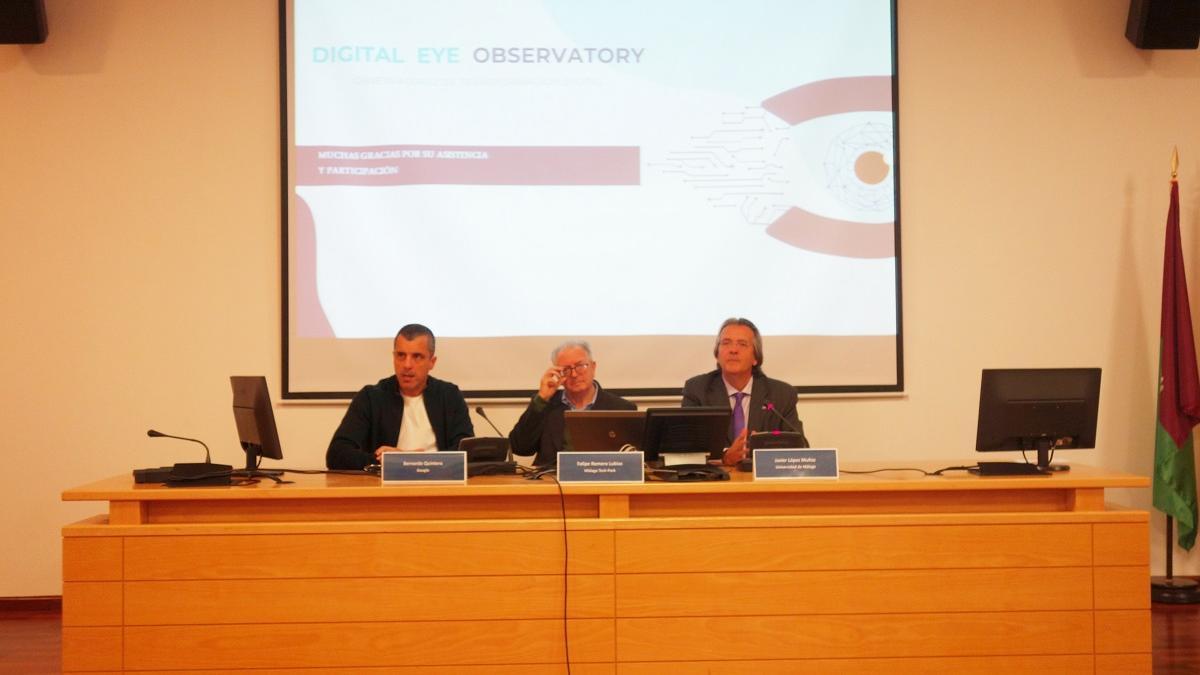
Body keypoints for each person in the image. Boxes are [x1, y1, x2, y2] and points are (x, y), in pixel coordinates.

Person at [326, 323, 473, 470]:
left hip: (438, 484)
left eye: (417, 356)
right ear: (393, 357)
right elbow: (336, 454)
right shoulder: (371, 398)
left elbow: (467, 451)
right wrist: (386, 461)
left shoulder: (449, 396)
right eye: (401, 355)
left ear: (431, 362)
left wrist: (410, 460)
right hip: (385, 489)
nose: (407, 365)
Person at [681, 317, 807, 465]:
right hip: (715, 483)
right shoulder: (697, 390)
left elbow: (800, 447)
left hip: (762, 484)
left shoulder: (782, 394)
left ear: (756, 358)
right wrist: (724, 457)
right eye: (726, 343)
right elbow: (685, 451)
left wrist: (765, 449)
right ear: (717, 354)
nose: (733, 350)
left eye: (742, 344)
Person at [509, 340, 636, 467]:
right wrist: (542, 398)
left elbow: (632, 462)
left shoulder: (622, 408)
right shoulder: (546, 405)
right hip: (551, 482)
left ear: (593, 367)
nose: (574, 374)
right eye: (566, 370)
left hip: (601, 483)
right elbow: (520, 447)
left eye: (580, 366)